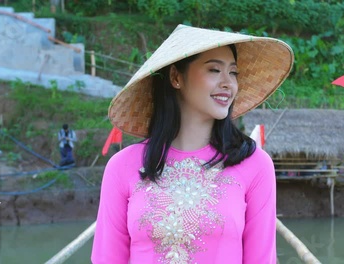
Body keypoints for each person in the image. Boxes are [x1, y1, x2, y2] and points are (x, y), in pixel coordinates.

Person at [91, 24, 293, 263]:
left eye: (233, 73)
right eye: (214, 70)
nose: (228, 83)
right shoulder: (122, 166)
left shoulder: (256, 165)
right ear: (176, 77)